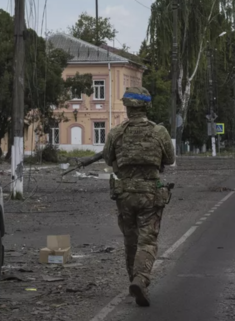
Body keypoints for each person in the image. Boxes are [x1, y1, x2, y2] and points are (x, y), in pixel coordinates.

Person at [73, 87, 174, 307]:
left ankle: (133, 280)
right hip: (150, 193)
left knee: (130, 240)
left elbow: (108, 159)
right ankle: (141, 278)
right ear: (146, 106)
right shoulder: (160, 132)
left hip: (125, 194)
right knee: (147, 241)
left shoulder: (116, 132)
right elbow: (170, 159)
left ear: (127, 107)